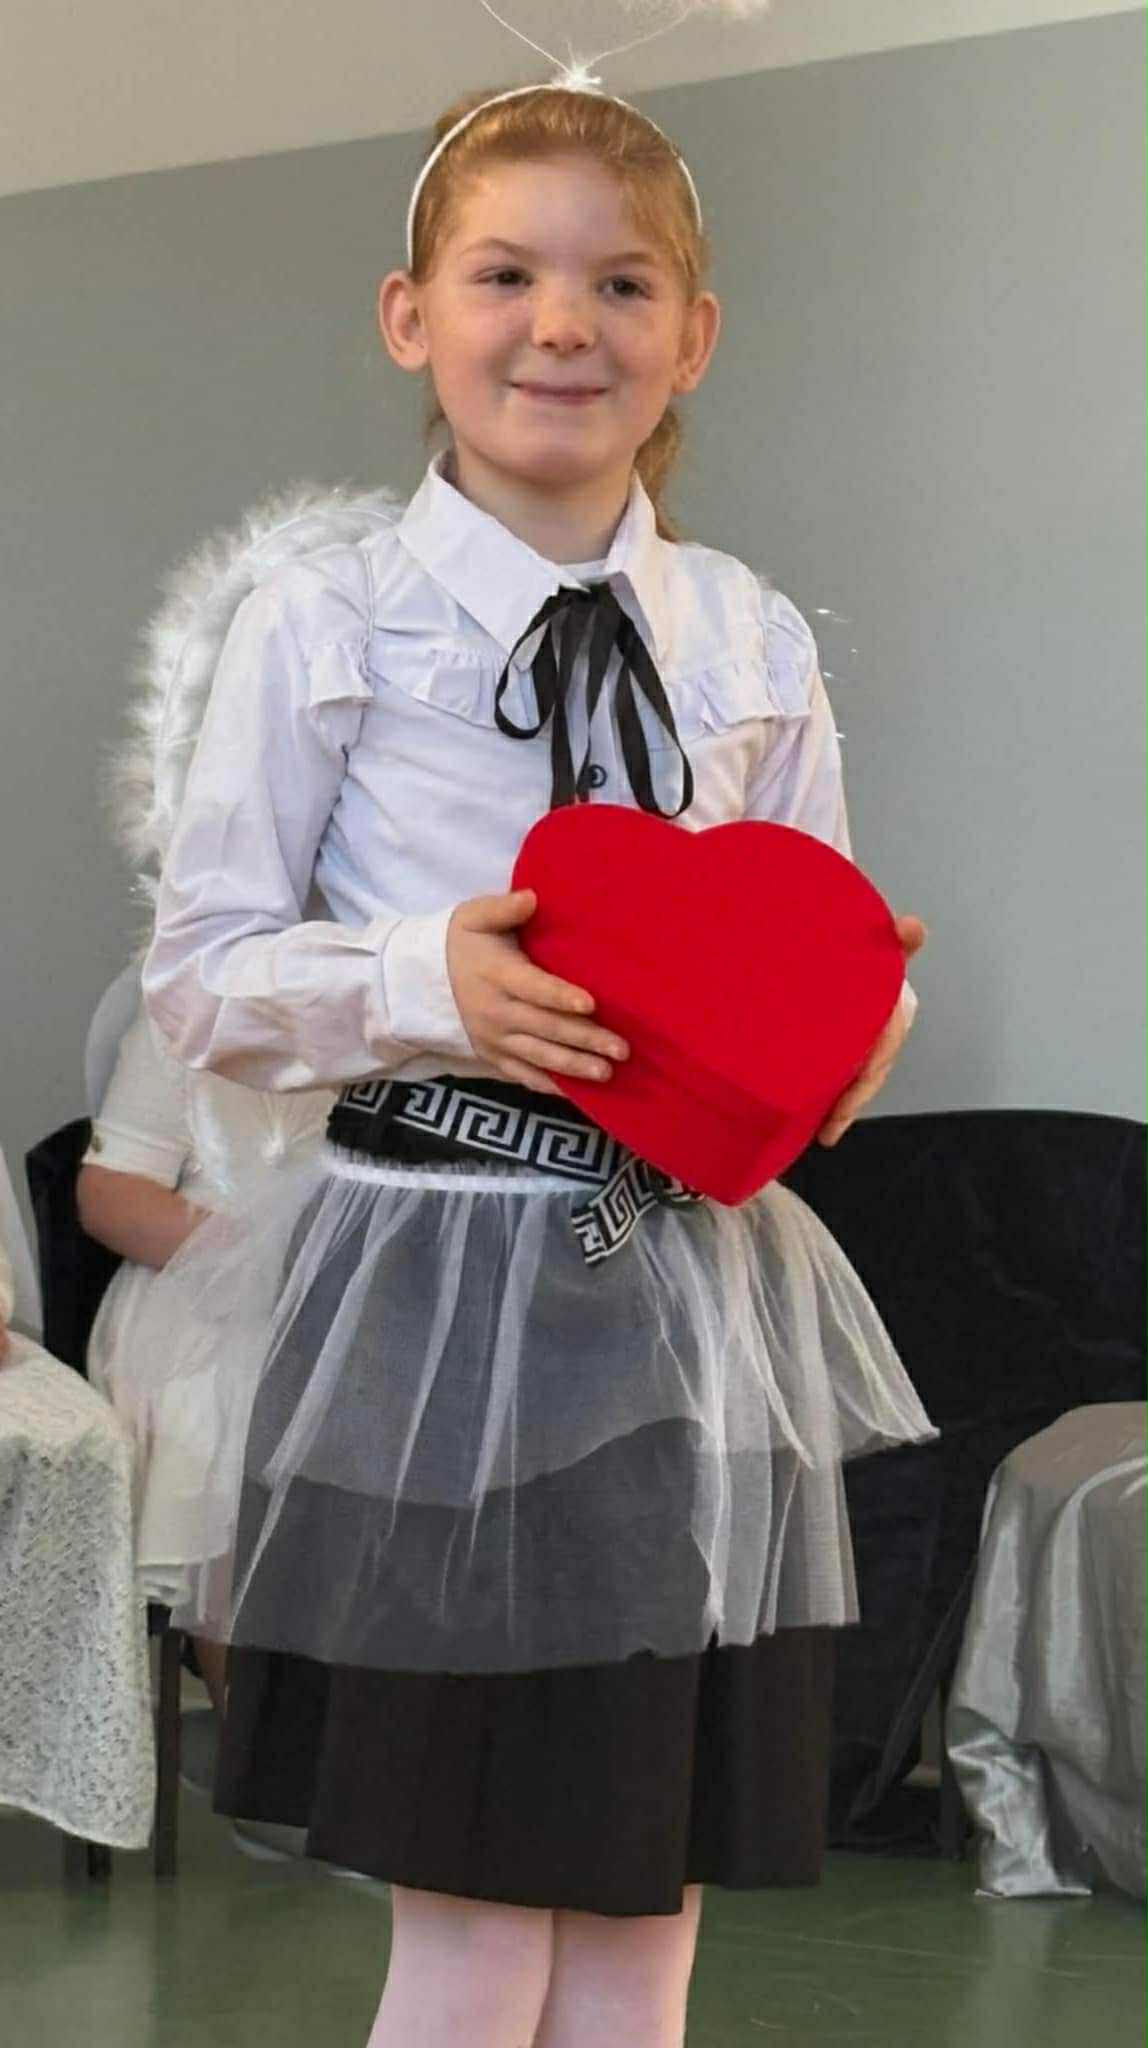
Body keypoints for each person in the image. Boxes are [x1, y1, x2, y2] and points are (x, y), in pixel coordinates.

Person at [137, 31, 936, 2048]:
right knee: (482, 1925)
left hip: (687, 1313)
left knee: (643, 1912)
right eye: (505, 274)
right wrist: (434, 981)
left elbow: (825, 934)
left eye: (620, 282)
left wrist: (856, 1020)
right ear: (412, 319)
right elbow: (203, 972)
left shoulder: (748, 632)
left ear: (693, 338)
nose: (561, 323)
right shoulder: (328, 623)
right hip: (433, 1316)